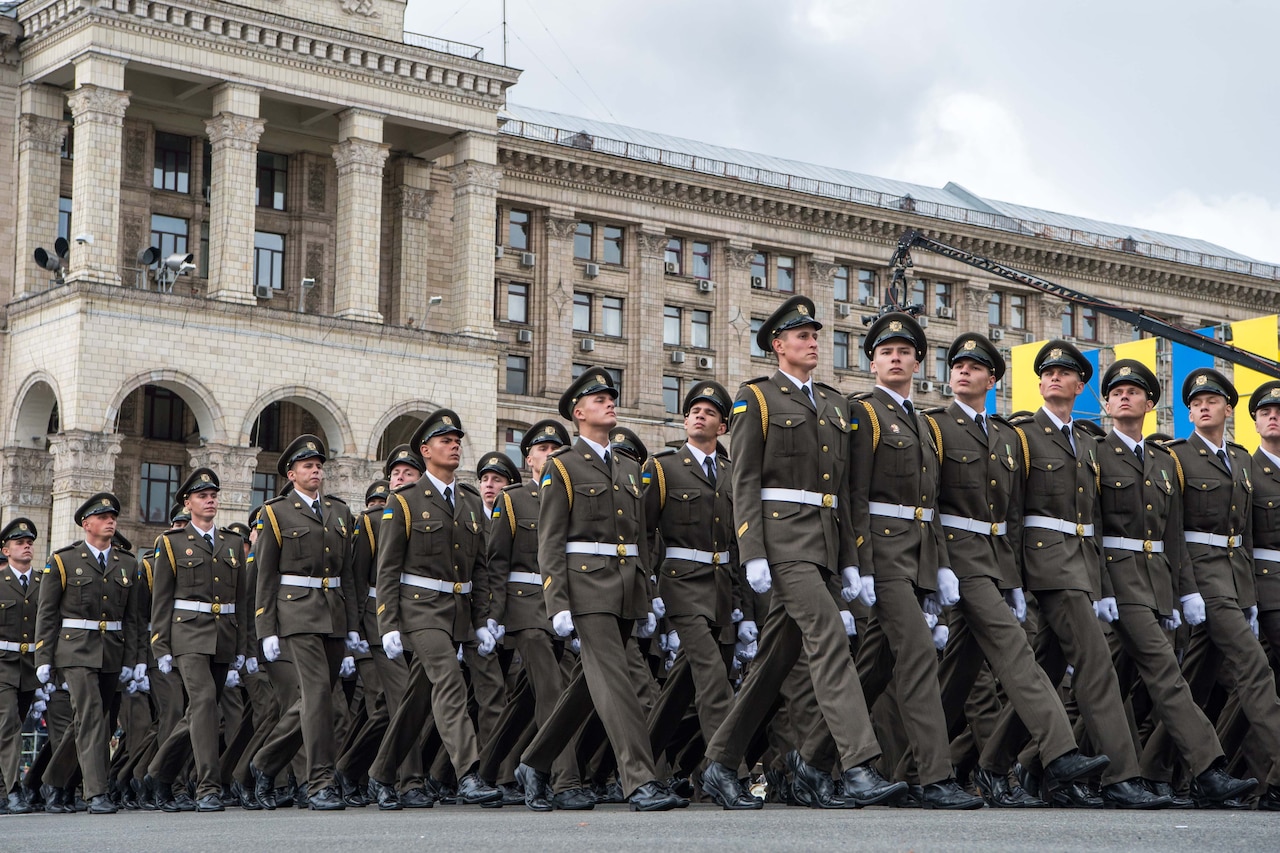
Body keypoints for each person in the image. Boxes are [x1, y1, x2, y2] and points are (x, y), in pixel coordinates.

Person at [699, 296, 904, 811]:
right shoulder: (757, 399)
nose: (814, 343)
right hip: (783, 541)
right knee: (831, 638)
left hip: (827, 545)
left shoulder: (836, 405)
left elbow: (848, 492)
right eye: (803, 336)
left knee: (774, 662)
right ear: (778, 345)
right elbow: (743, 480)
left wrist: (854, 560)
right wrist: (753, 551)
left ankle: (720, 765)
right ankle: (858, 765)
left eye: (817, 336)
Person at [985, 342, 1168, 808]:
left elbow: (1097, 521)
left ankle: (999, 765)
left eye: (1063, 373)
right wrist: (1012, 577)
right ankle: (1121, 776)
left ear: (1080, 385)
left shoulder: (1088, 443)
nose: (1052, 378)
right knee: (1095, 664)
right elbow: (1011, 508)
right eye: (1046, 373)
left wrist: (1102, 585)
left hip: (1081, 565)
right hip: (1045, 562)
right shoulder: (1023, 435)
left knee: (1045, 665)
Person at [928, 333, 1107, 808]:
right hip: (955, 556)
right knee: (1014, 650)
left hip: (990, 560)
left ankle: (914, 766)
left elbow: (1008, 514)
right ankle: (1060, 749)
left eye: (974, 366)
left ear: (992, 379)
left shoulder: (1005, 437)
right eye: (957, 365)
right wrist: (936, 567)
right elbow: (926, 503)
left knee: (959, 673)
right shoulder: (935, 426)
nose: (963, 371)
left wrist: (1011, 579)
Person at [515, 368, 679, 812]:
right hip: (586, 586)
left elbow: (643, 536)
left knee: (592, 683)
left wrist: (644, 590)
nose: (610, 402)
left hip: (625, 586)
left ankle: (535, 761)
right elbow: (549, 540)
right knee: (616, 679)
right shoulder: (563, 468)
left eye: (611, 396)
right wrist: (558, 600)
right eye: (599, 398)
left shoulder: (630, 467)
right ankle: (640, 779)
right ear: (578, 412)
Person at [1148, 369, 1280, 809]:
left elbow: (1244, 533)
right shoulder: (1175, 457)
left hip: (1237, 581)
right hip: (1201, 579)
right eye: (1196, 402)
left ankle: (1153, 772)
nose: (1203, 406)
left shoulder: (1241, 461)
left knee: (1196, 681)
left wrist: (1252, 597)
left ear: (1228, 408)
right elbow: (1172, 531)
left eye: (1212, 400)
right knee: (1254, 666)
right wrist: (1184, 590)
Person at [368, 411, 501, 807]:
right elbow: (387, 568)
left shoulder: (470, 502)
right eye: (446, 440)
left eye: (457, 439)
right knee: (449, 681)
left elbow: (480, 567)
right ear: (426, 451)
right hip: (419, 609)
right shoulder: (405, 502)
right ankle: (469, 773)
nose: (455, 445)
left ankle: (380, 773)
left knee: (418, 696)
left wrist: (480, 621)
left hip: (456, 609)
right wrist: (387, 622)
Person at [484, 419, 590, 809]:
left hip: (560, 604)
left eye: (557, 449)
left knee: (526, 699)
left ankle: (488, 769)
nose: (550, 455)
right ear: (528, 458)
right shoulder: (513, 499)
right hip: (524, 604)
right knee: (552, 689)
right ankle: (564, 781)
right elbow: (496, 561)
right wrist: (493, 615)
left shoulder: (573, 495)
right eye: (543, 450)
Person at [250, 435, 359, 811]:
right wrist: (265, 629)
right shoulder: (275, 512)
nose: (316, 471)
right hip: (295, 613)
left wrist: (355, 626)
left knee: (316, 699)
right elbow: (264, 576)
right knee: (316, 696)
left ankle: (264, 764)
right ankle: (320, 783)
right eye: (307, 466)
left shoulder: (339, 512)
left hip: (334, 612)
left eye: (318, 465)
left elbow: (349, 575)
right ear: (291, 473)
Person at [640, 382, 742, 786]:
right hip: (679, 585)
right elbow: (645, 532)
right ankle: (727, 772)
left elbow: (738, 539)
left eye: (709, 412)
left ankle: (636, 762)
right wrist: (648, 589)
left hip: (721, 586)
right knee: (714, 677)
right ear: (685, 421)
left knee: (683, 686)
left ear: (722, 427)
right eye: (693, 411)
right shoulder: (663, 468)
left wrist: (741, 603)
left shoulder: (734, 473)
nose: (699, 416)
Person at [146, 468, 249, 811]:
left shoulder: (232, 543)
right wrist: (160, 644)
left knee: (200, 712)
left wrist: (243, 647)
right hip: (187, 632)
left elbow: (243, 600)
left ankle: (158, 773)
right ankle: (208, 786)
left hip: (223, 635)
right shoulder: (171, 543)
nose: (210, 500)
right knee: (204, 702)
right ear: (188, 502)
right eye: (203, 496)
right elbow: (161, 599)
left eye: (214, 495)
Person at [34, 493, 144, 814]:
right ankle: (96, 793)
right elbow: (47, 615)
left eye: (113, 516)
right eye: (103, 516)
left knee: (95, 721)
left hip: (112, 651)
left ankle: (54, 782)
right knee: (93, 714)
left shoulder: (127, 563)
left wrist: (133, 661)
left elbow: (133, 619)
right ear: (87, 523)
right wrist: (44, 659)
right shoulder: (63, 561)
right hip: (75, 649)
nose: (111, 521)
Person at [0, 518, 42, 813]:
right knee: (9, 725)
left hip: (31, 666)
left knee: (12, 727)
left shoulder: (44, 583)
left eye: (29, 542)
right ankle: (14, 790)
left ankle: (3, 789)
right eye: (19, 543)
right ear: (5, 549)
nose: (26, 546)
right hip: (2, 664)